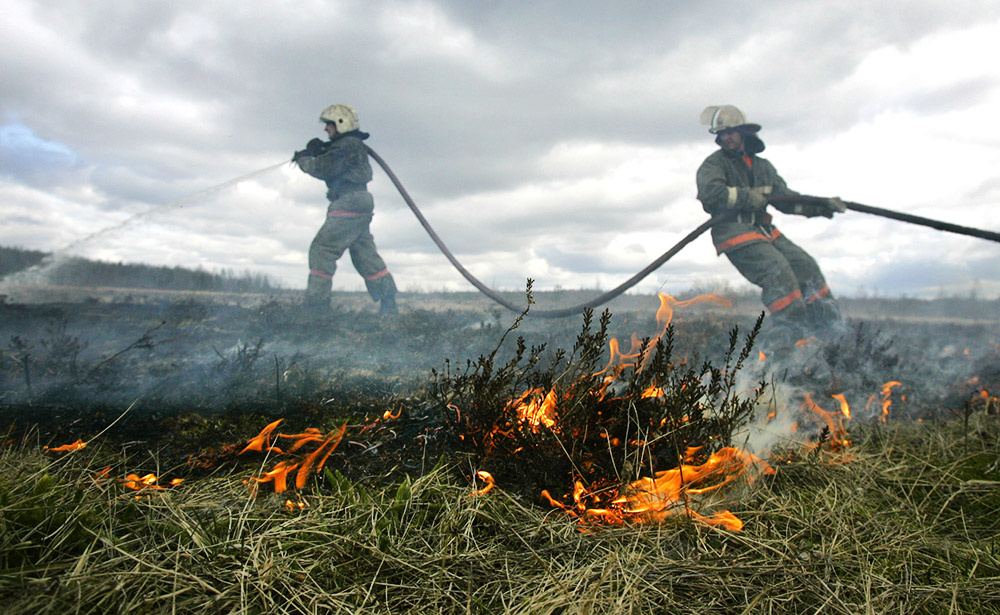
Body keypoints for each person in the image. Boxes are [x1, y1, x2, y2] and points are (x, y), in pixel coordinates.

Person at [695, 105, 846, 346]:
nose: (725, 138)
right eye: (720, 134)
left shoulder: (763, 168)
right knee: (779, 273)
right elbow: (709, 194)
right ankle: (786, 346)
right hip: (734, 232)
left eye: (730, 132)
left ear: (744, 132)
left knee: (806, 267)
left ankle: (832, 335)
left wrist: (823, 206)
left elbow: (787, 200)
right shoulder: (714, 165)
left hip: (764, 231)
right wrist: (746, 197)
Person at [293, 103, 398, 315]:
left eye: (329, 125)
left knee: (322, 250)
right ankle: (389, 305)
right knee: (364, 255)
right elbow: (335, 161)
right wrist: (322, 149)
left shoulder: (347, 145)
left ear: (341, 124)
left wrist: (304, 159)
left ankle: (316, 310)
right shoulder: (349, 144)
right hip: (359, 201)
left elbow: (323, 167)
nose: (326, 129)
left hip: (348, 201)